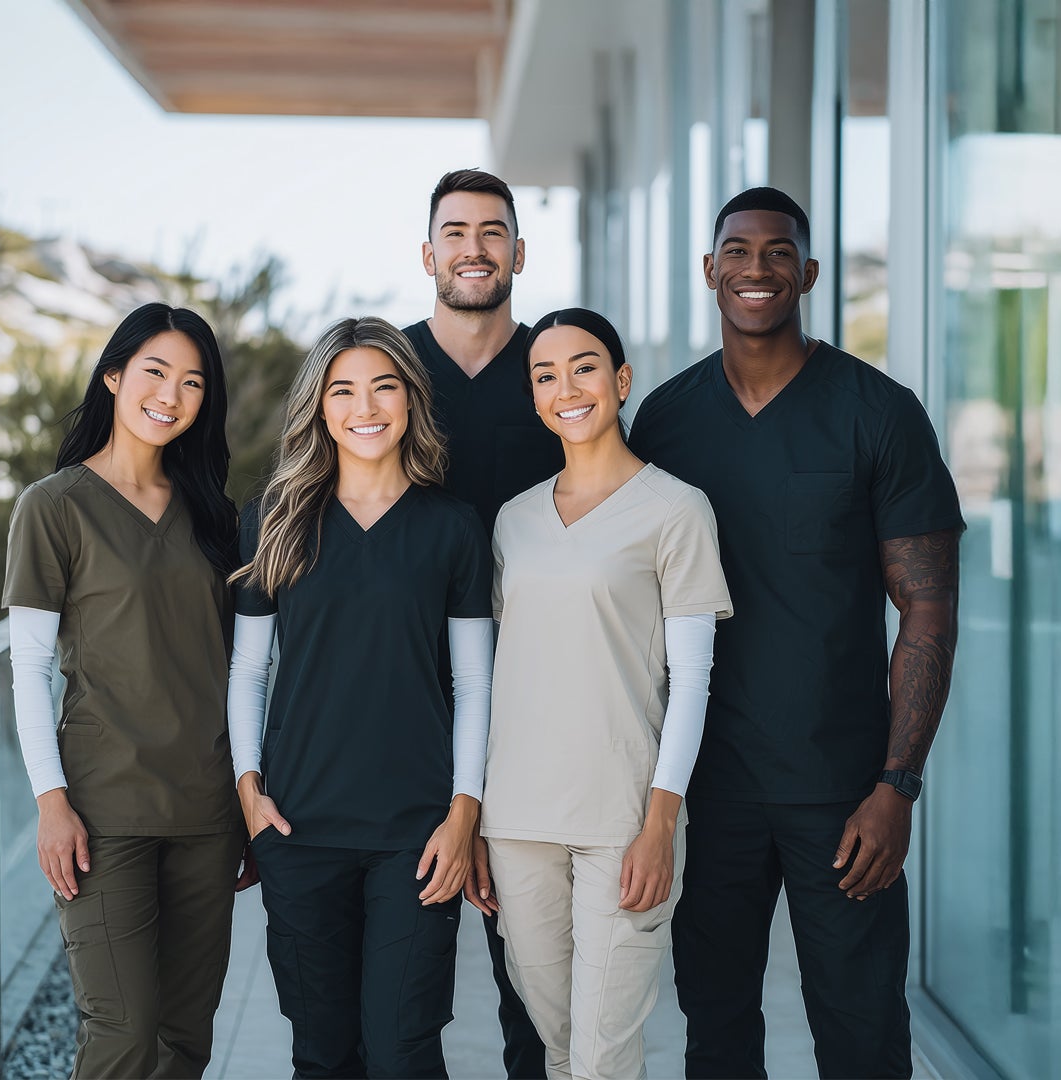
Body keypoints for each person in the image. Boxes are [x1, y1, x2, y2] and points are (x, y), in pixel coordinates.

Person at [630, 187, 965, 1080]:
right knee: (718, 1029)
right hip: (707, 791)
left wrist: (897, 784)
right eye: (738, 251)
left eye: (780, 253)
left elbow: (927, 607)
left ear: (809, 273)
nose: (757, 268)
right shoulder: (664, 421)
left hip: (842, 793)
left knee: (860, 1036)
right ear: (709, 271)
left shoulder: (878, 412)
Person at [226, 316, 496, 1078]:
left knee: (403, 1048)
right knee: (322, 1053)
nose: (364, 406)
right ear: (319, 407)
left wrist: (463, 813)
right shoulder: (274, 523)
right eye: (341, 390)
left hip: (416, 834)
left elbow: (475, 683)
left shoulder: (453, 528)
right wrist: (249, 793)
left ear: (411, 399)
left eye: (383, 386)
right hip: (299, 830)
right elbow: (248, 673)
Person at [480, 308, 732, 1080]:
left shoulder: (676, 509)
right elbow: (497, 672)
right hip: (518, 818)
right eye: (545, 375)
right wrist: (479, 822)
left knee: (600, 1057)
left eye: (584, 367)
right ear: (533, 398)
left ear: (620, 381)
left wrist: (661, 821)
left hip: (623, 819)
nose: (567, 387)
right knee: (560, 1042)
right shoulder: (512, 521)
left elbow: (693, 680)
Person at [2, 303, 250, 1079]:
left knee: (185, 1040)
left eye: (192, 383)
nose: (171, 396)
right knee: (121, 1033)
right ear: (113, 375)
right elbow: (29, 668)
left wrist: (247, 797)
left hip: (207, 813)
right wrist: (51, 802)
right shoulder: (54, 507)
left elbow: (246, 666)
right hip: (103, 814)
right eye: (154, 372)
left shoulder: (216, 516)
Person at [403, 167, 564, 1077]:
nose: (474, 247)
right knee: (402, 987)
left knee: (531, 987)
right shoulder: (388, 370)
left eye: (492, 231)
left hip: (539, 701)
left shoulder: (555, 366)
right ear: (429, 253)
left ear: (518, 252)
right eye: (456, 232)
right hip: (408, 705)